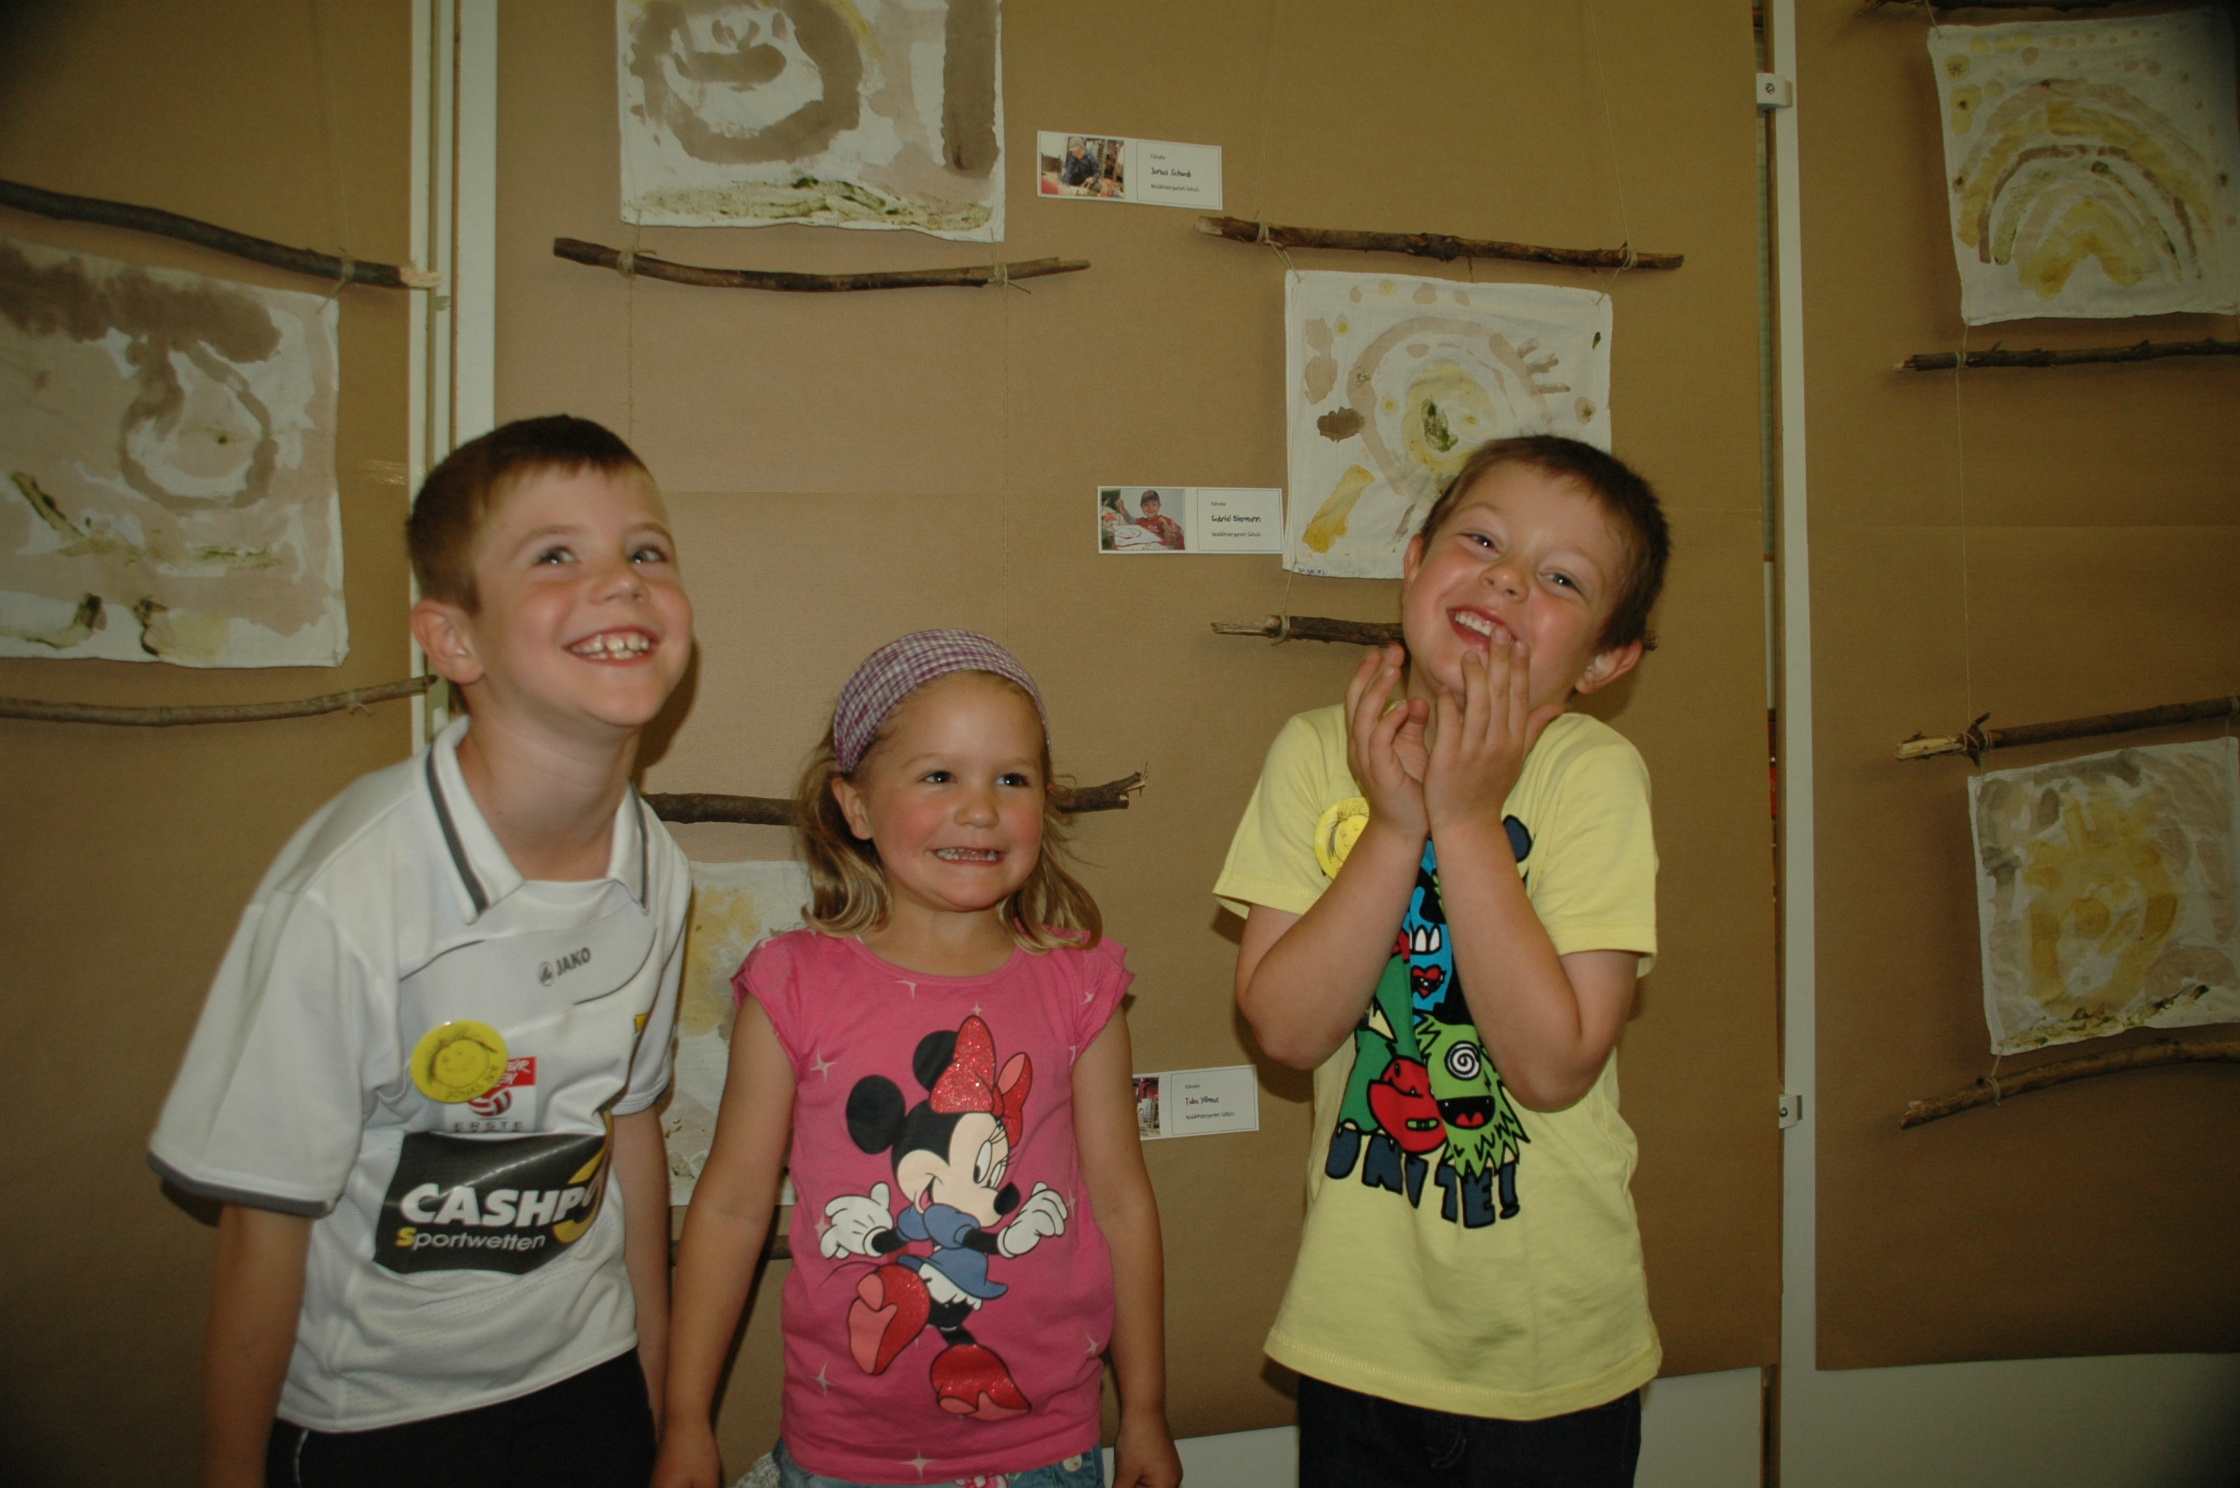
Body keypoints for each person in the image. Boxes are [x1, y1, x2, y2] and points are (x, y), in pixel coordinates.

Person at [148, 415, 696, 1488]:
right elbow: (264, 1223)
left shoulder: (656, 869)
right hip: (378, 1416)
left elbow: (629, 1126)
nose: (621, 582)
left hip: (588, 1377)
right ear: (452, 641)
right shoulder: (348, 890)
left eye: (646, 551)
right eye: (556, 555)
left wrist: (661, 1395)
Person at [1216, 435, 1671, 1488]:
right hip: (1356, 1336)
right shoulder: (1316, 750)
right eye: (1482, 542)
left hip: (1547, 1351)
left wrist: (1463, 822)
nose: (1507, 581)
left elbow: (1551, 1066)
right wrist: (1392, 827)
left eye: (1561, 579)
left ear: (1605, 660)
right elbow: (1285, 1031)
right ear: (1414, 563)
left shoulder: (1592, 774)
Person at [657, 632, 1182, 1488]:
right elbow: (729, 1209)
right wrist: (685, 1420)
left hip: (1049, 1446)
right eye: (939, 776)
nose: (979, 810)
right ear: (856, 807)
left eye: (1011, 779)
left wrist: (1148, 1411)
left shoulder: (1079, 983)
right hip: (844, 1454)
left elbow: (1121, 1205)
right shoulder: (792, 985)